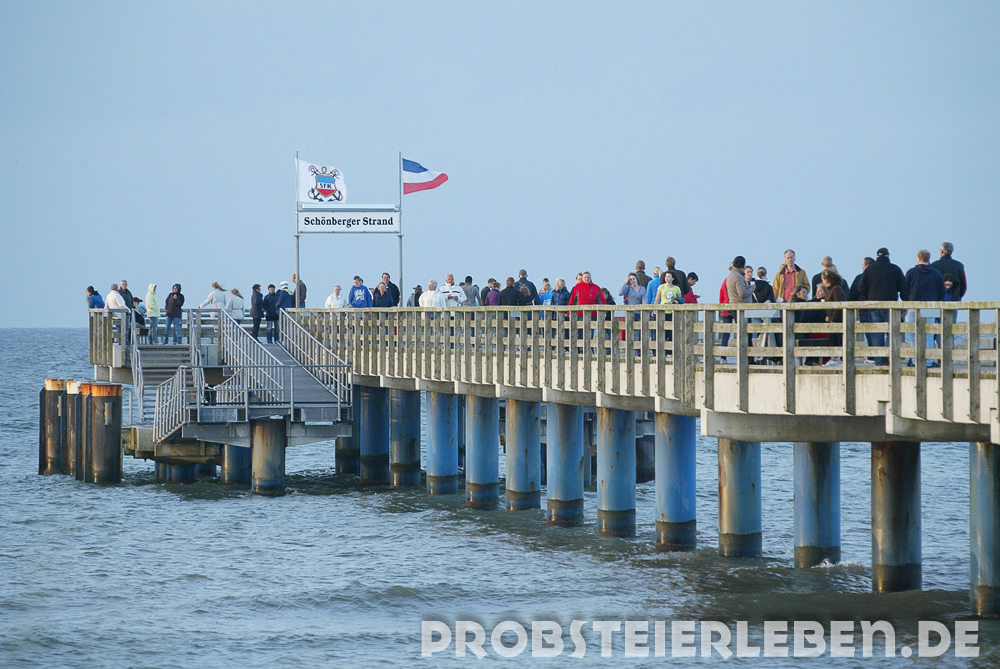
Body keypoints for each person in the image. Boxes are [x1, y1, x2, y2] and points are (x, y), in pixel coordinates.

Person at [858, 247, 908, 365]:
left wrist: (869, 296)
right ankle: (888, 355)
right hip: (891, 305)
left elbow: (861, 287)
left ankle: (879, 360)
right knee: (892, 331)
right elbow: (903, 288)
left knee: (877, 333)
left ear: (877, 256)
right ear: (888, 256)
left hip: (874, 305)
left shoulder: (870, 269)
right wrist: (905, 303)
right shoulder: (895, 269)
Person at [905, 249, 946, 366]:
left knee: (912, 332)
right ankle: (928, 361)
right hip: (930, 307)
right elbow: (942, 291)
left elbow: (905, 289)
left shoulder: (911, 272)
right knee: (929, 334)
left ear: (918, 258)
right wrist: (937, 303)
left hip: (913, 305)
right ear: (929, 258)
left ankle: (914, 360)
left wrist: (906, 302)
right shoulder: (936, 273)